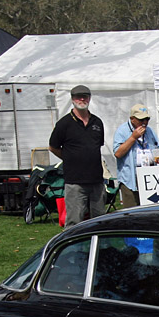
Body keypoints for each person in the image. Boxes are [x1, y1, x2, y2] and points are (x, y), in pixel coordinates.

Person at [49, 85, 106, 227]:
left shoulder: (97, 122)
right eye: (78, 96)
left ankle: (100, 248)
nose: (82, 99)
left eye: (85, 96)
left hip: (96, 180)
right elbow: (53, 147)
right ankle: (72, 248)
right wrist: (69, 157)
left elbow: (97, 146)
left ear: (90, 98)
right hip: (75, 181)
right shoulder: (64, 124)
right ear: (72, 99)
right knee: (74, 221)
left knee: (100, 221)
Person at [112, 103, 159, 209]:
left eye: (147, 119)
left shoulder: (149, 131)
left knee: (150, 211)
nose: (145, 122)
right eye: (141, 120)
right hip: (131, 181)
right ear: (132, 119)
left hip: (150, 179)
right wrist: (133, 138)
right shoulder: (122, 131)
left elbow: (157, 148)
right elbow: (118, 153)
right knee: (132, 213)